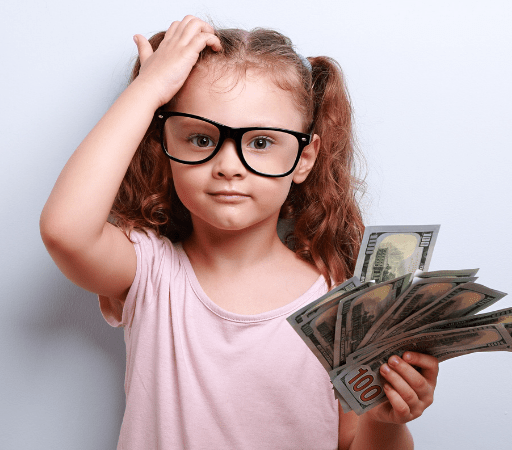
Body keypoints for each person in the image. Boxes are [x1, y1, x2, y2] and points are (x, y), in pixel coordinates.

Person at [40, 15, 438, 450]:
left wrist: (386, 421)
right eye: (200, 138)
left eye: (261, 142)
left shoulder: (341, 304)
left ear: (305, 158)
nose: (229, 166)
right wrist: (150, 88)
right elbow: (66, 231)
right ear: (165, 143)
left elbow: (349, 441)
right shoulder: (151, 273)